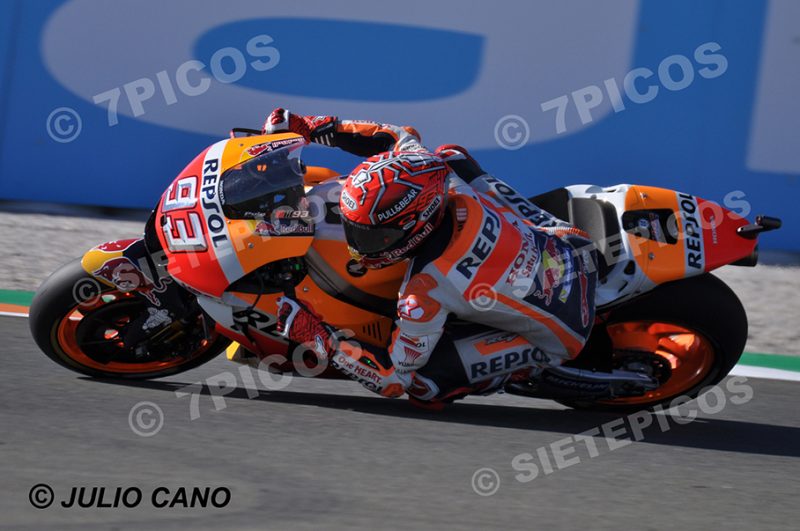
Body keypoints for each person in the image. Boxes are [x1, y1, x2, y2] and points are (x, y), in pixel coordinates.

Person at [266, 108, 647, 406]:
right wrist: (307, 126)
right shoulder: (429, 172)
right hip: (564, 242)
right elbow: (398, 136)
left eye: (375, 235)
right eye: (355, 229)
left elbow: (391, 379)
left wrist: (318, 338)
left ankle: (533, 368)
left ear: (417, 222)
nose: (359, 243)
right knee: (451, 157)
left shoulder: (424, 291)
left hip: (564, 326)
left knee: (422, 385)